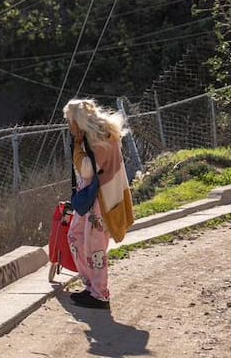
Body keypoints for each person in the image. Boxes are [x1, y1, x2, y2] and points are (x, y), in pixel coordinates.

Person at [63, 98, 135, 310]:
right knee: (75, 236)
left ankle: (100, 294)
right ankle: (91, 286)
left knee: (95, 247)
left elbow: (87, 169)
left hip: (102, 200)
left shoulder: (101, 137)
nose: (68, 124)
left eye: (69, 120)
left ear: (77, 121)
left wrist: (76, 145)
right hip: (92, 197)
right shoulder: (98, 133)